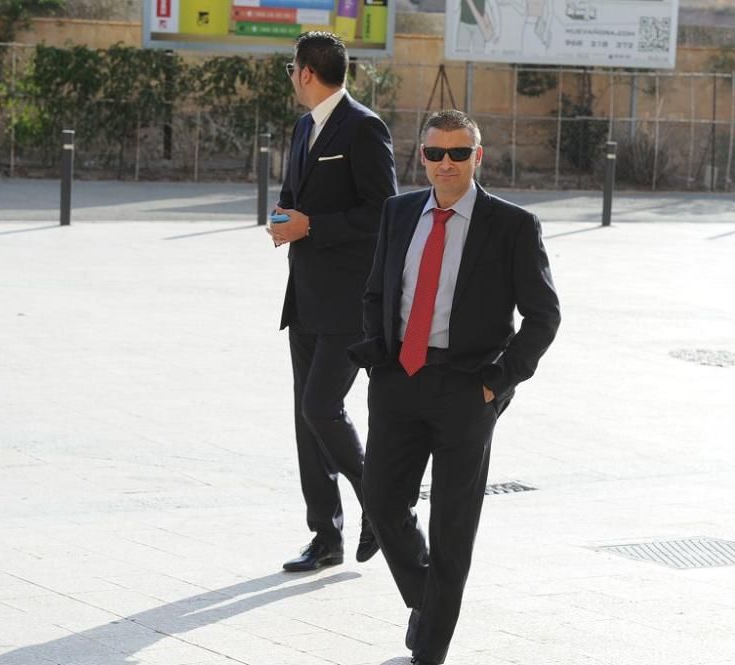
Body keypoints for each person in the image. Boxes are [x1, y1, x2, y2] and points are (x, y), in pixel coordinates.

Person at [349, 110, 560, 664]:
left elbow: (544, 316)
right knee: (380, 499)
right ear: (421, 157)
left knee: (452, 522)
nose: (446, 164)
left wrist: (498, 382)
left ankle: (431, 646)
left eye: (459, 154)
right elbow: (376, 293)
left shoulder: (512, 225)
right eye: (435, 153)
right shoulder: (398, 213)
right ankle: (430, 601)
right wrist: (379, 358)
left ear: (477, 157)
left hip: (469, 389)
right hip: (399, 380)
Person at [268, 31, 397, 572]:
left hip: (349, 300)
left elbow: (384, 211)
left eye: (291, 69)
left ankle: (381, 501)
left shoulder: (364, 128)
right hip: (305, 296)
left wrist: (312, 226)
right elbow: (293, 197)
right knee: (307, 419)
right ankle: (326, 537)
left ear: (306, 72)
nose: (291, 77)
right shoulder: (303, 127)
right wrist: (282, 221)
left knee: (322, 406)